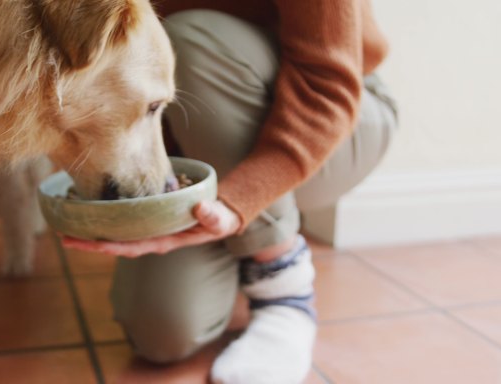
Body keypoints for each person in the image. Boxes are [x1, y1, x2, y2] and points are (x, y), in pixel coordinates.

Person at [64, 1, 398, 383]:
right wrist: (168, 197)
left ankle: (281, 281)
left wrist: (241, 201)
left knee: (189, 39)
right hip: (199, 140)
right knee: (161, 332)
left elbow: (327, 85)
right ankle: (259, 233)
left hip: (339, 118)